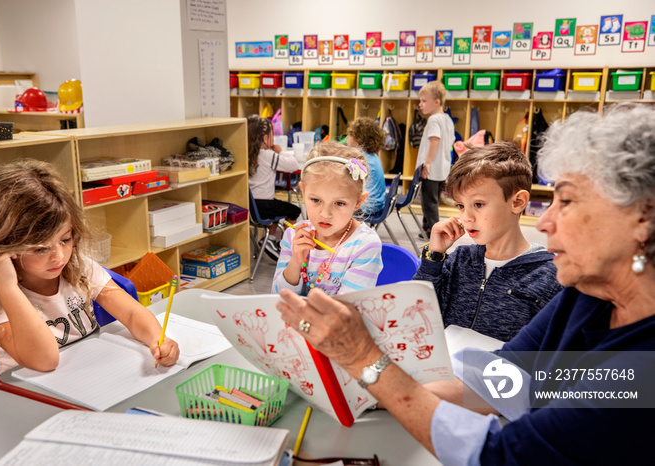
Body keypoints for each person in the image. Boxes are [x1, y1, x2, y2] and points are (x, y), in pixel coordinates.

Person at [276, 103, 655, 464]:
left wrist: (366, 362)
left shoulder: (644, 366)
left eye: (567, 200)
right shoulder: (587, 298)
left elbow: (504, 456)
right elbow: (501, 380)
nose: (544, 222)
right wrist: (372, 390)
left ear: (643, 215)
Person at [0, 160, 180, 384]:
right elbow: (45, 361)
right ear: (3, 247)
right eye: (40, 248)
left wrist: (156, 339)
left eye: (65, 239)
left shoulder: (76, 266)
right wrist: (8, 288)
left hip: (86, 380)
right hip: (28, 397)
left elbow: (131, 313)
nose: (59, 256)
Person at [413, 141, 562, 341]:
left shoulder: (547, 275)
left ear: (517, 202)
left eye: (478, 204)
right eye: (460, 205)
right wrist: (434, 258)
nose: (467, 217)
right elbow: (415, 314)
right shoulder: (458, 260)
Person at [272, 141, 382, 296]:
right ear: (303, 192)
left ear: (358, 202)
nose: (325, 214)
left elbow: (348, 310)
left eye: (339, 203)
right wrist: (295, 263)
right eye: (316, 200)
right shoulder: (294, 235)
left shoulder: (365, 245)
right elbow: (277, 298)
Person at [248, 115, 301, 260]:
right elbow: (294, 166)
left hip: (250, 207)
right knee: (294, 210)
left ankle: (270, 239)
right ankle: (286, 248)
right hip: (264, 207)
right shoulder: (267, 155)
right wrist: (280, 151)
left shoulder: (247, 154)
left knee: (278, 206)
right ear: (265, 139)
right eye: (272, 136)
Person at [414, 80, 455, 238]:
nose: (420, 104)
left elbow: (435, 140)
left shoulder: (434, 120)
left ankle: (435, 231)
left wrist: (428, 163)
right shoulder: (447, 120)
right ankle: (427, 228)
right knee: (433, 200)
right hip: (442, 169)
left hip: (431, 170)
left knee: (428, 203)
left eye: (424, 101)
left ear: (437, 102)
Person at [346, 117, 386, 216]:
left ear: (359, 138)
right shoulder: (372, 156)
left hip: (368, 206)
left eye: (350, 135)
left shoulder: (362, 159)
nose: (347, 137)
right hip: (377, 203)